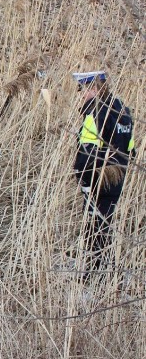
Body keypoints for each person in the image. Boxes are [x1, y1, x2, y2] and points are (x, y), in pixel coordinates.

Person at [71, 70, 136, 279]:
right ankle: (107, 272)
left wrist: (81, 176)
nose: (81, 95)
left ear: (94, 89)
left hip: (97, 178)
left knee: (93, 225)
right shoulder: (123, 110)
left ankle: (94, 274)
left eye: (83, 89)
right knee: (105, 223)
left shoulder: (96, 112)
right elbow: (131, 150)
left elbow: (86, 151)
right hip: (117, 179)